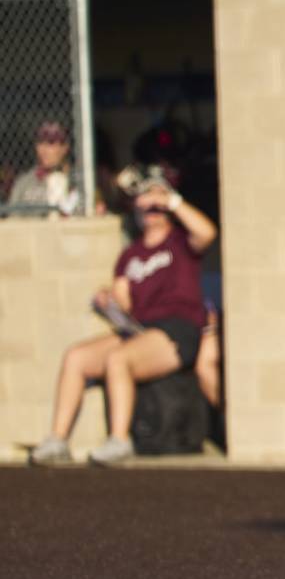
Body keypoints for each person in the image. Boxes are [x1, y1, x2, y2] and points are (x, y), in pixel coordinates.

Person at [29, 173, 217, 466]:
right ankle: (57, 440)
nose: (150, 213)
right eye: (145, 207)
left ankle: (119, 440)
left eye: (156, 208)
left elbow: (207, 232)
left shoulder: (180, 242)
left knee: (119, 360)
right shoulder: (131, 254)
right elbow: (126, 304)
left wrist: (169, 199)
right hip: (140, 329)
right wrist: (110, 301)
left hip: (178, 329)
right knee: (76, 357)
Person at [6, 120, 81, 216]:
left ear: (64, 147)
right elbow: (13, 219)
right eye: (41, 142)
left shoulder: (77, 180)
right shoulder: (24, 182)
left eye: (51, 143)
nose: (44, 150)